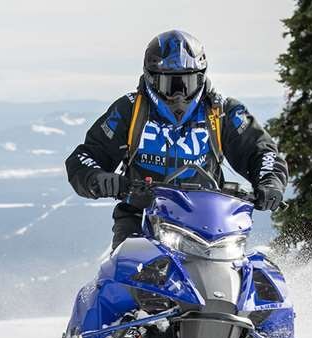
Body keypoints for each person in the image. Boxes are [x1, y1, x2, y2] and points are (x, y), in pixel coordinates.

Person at [66, 29, 288, 251]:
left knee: (247, 268)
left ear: (202, 78)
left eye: (187, 83)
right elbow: (84, 157)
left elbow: (262, 152)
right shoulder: (129, 110)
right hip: (141, 219)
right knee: (129, 266)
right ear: (151, 79)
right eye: (170, 86)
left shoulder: (222, 112)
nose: (179, 96)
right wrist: (98, 178)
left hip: (209, 223)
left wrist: (269, 182)